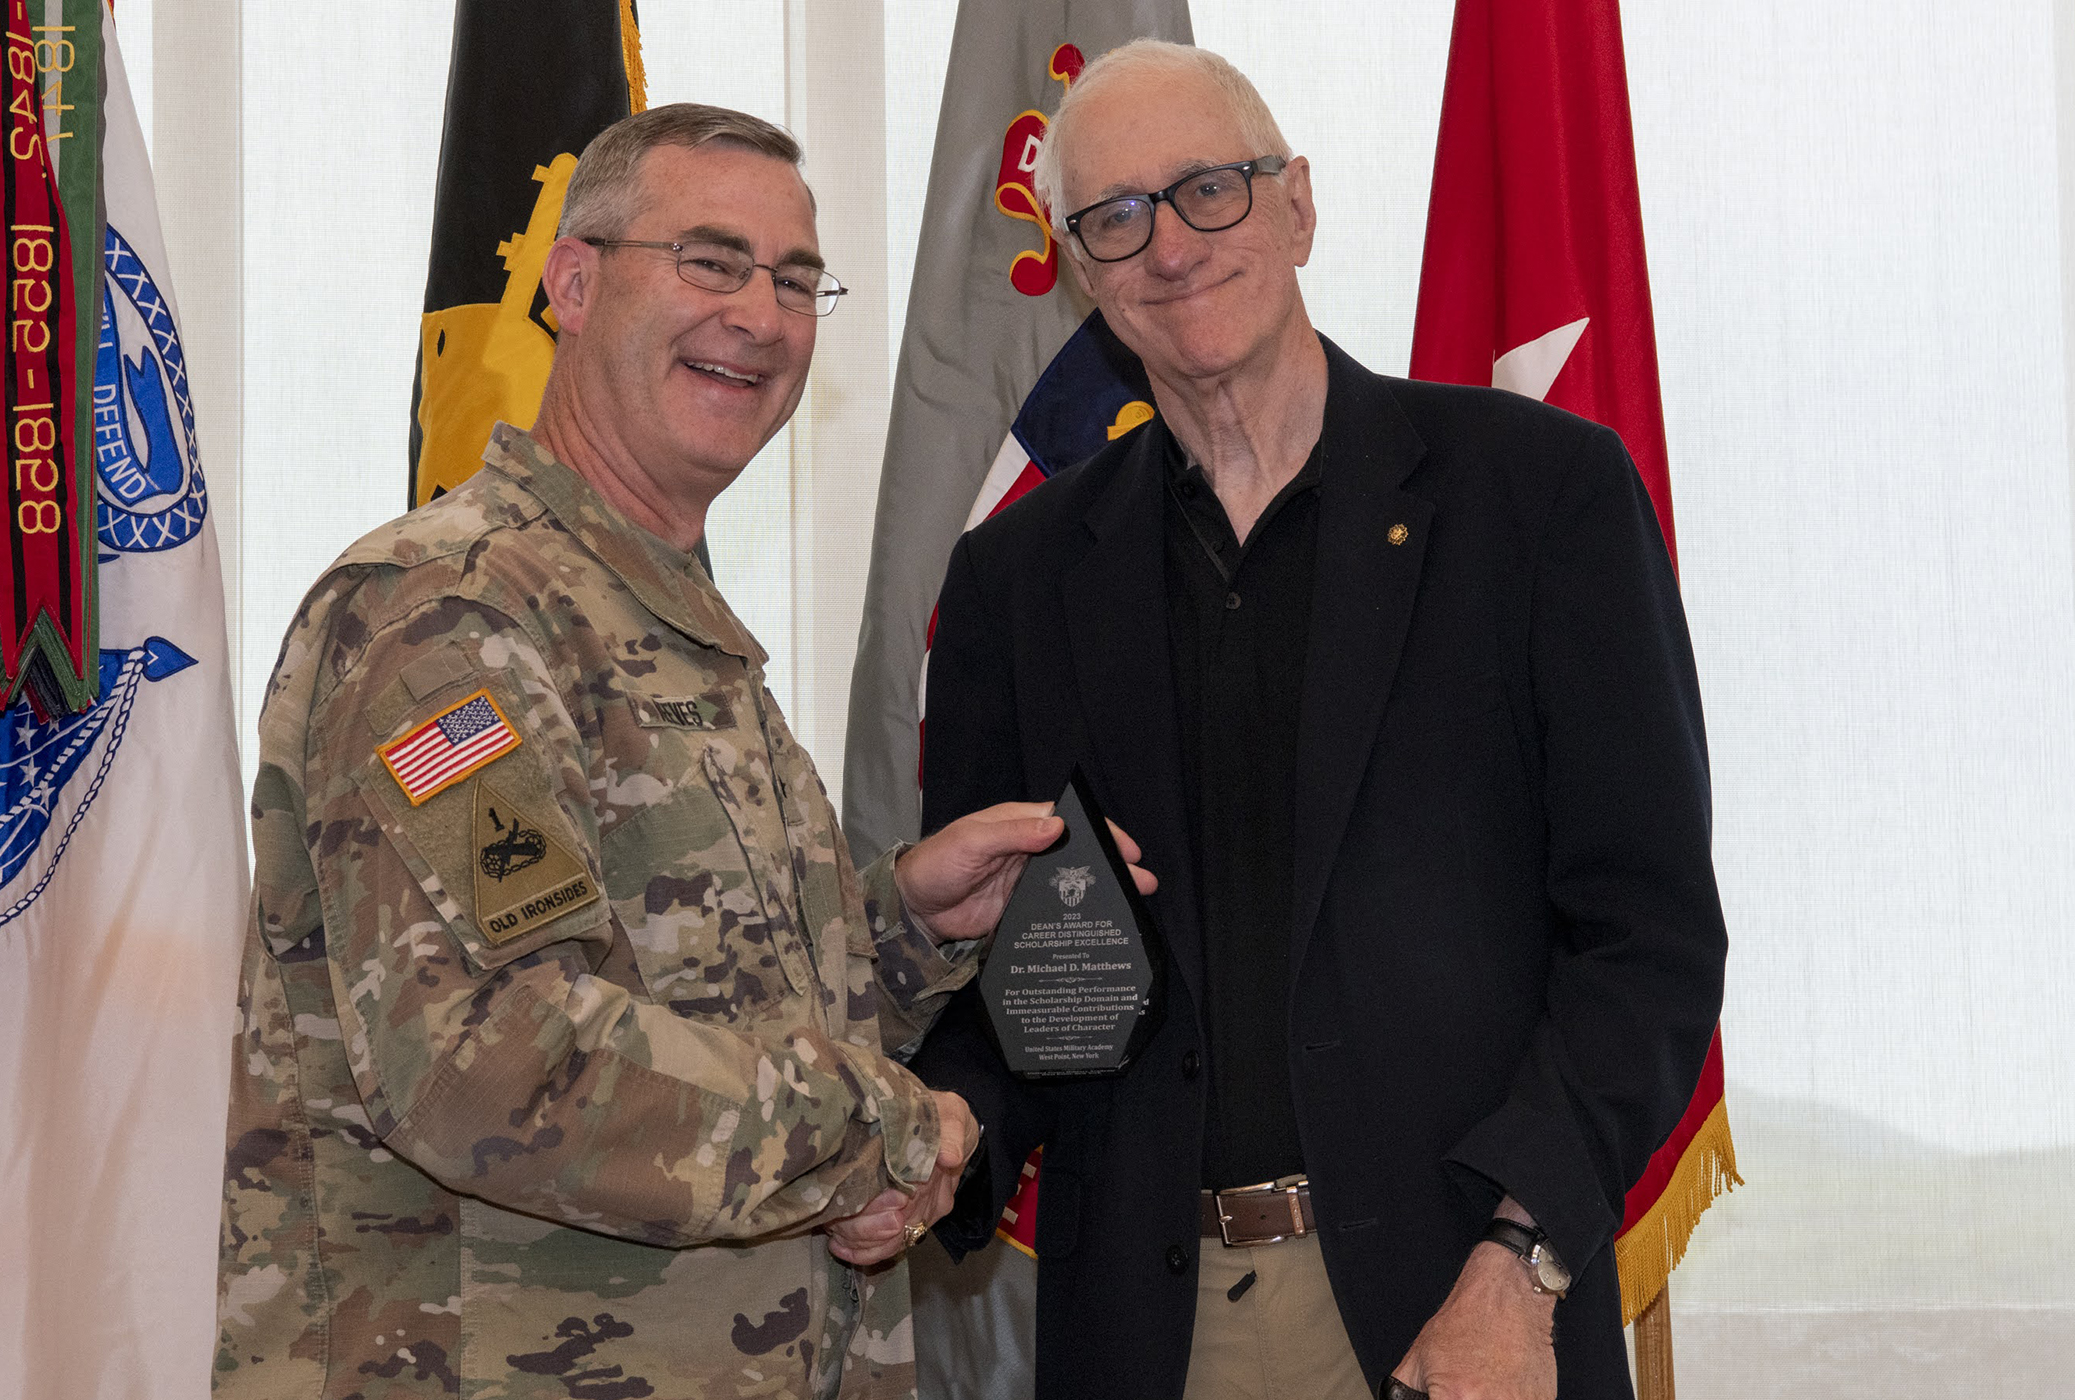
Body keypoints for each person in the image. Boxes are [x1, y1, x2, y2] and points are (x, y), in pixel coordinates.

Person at [213, 103, 1141, 1400]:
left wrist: (904, 927)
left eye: (797, 280)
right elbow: (490, 1055)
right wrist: (881, 1132)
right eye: (710, 261)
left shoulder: (669, 625)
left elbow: (701, 994)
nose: (760, 314)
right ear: (574, 283)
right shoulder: (450, 614)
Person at [911, 40, 1728, 1400]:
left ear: (1296, 204)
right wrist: (927, 1143)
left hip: (1468, 1310)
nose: (1172, 246)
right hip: (1143, 1333)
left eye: (1209, 190)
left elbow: (1646, 941)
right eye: (1116, 217)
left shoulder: (1542, 498)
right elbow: (1017, 979)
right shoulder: (1017, 578)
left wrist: (1518, 1265)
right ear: (1081, 269)